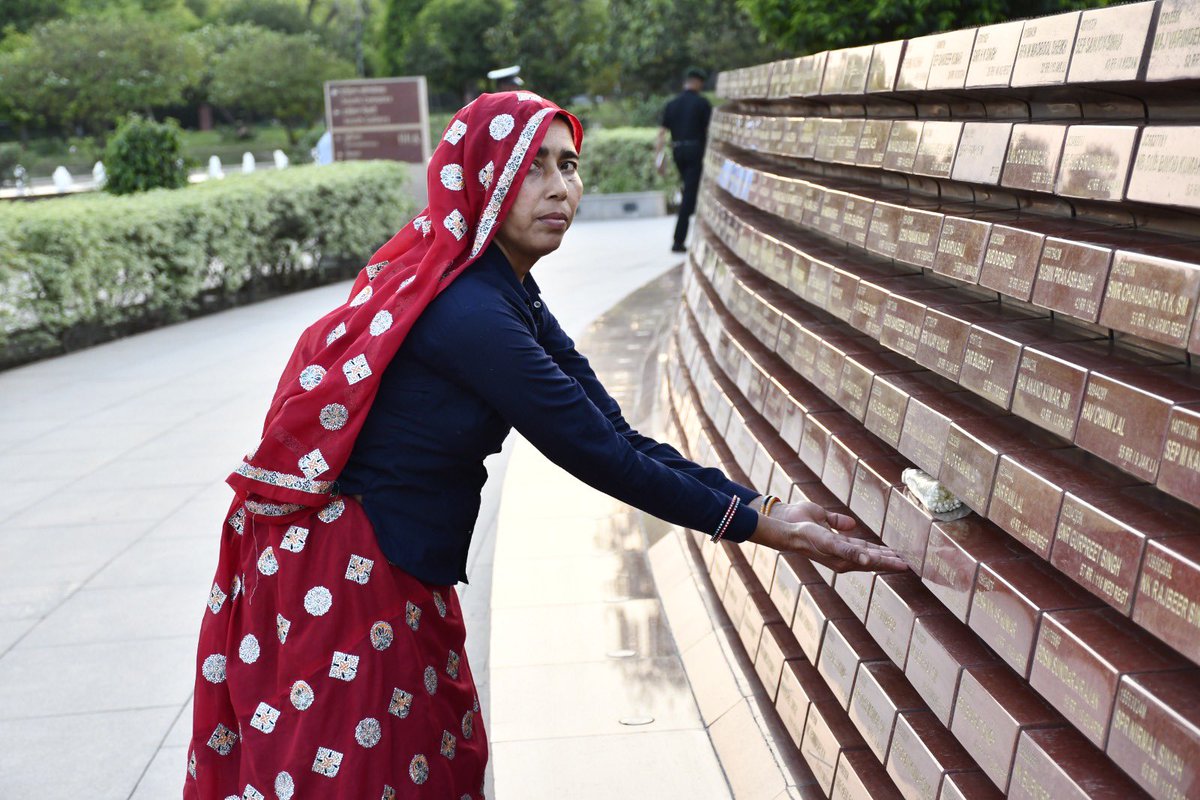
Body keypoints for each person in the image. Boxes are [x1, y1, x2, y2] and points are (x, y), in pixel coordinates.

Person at [184, 91, 906, 800]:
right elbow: (597, 454)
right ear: (483, 176)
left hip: (392, 563)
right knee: (367, 776)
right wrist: (757, 527)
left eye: (569, 165)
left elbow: (613, 432)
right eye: (534, 166)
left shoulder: (503, 290)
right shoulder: (469, 312)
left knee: (426, 763)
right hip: (351, 578)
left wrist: (759, 503)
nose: (562, 187)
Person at [657, 67, 713, 253]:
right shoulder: (702, 103)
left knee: (692, 192)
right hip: (696, 152)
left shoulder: (672, 104)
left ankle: (698, 236)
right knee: (690, 195)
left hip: (678, 152)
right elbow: (710, 131)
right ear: (698, 83)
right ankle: (678, 240)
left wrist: (659, 158)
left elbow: (662, 133)